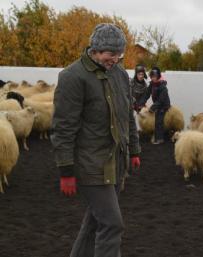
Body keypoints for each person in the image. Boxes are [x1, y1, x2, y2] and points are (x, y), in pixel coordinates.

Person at [51, 23, 141, 257]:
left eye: (119, 54)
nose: (115, 59)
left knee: (95, 222)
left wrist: (135, 149)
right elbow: (63, 128)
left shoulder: (119, 74)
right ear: (96, 50)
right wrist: (66, 171)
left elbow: (127, 115)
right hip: (90, 163)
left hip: (116, 161)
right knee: (112, 224)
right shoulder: (73, 77)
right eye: (111, 54)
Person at [137, 66, 170, 144]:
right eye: (151, 77)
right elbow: (146, 94)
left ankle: (160, 139)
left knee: (159, 121)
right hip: (157, 104)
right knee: (156, 120)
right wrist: (140, 104)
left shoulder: (163, 87)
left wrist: (152, 108)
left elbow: (161, 100)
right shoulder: (152, 84)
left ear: (158, 76)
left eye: (154, 77)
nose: (152, 78)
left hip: (163, 105)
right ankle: (158, 136)